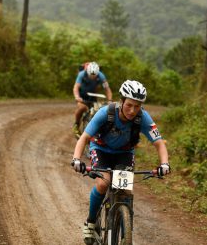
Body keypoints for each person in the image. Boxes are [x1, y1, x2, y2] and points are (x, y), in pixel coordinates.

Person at [71, 79, 170, 245]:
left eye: (137, 106)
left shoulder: (143, 117)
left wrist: (165, 164)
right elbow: (85, 138)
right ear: (121, 101)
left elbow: (159, 143)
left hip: (124, 153)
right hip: (100, 149)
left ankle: (126, 236)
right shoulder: (105, 113)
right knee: (104, 183)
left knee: (125, 190)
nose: (132, 111)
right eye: (129, 105)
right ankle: (90, 222)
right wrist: (76, 159)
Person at [72, 61, 112, 135]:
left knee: (96, 111)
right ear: (87, 71)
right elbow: (76, 87)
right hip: (81, 97)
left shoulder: (101, 76)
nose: (93, 77)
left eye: (95, 75)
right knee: (82, 108)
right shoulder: (81, 74)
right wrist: (77, 97)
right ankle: (76, 125)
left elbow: (107, 89)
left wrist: (110, 100)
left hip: (93, 97)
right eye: (91, 75)